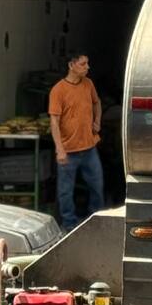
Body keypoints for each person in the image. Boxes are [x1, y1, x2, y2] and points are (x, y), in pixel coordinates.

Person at [48, 51, 104, 231]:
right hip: (68, 150)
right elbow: (54, 122)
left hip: (89, 147)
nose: (87, 67)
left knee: (97, 186)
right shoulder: (58, 90)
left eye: (87, 63)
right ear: (71, 65)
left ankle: (95, 221)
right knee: (65, 192)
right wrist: (59, 149)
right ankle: (69, 224)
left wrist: (97, 121)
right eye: (83, 64)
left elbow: (97, 102)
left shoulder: (88, 84)